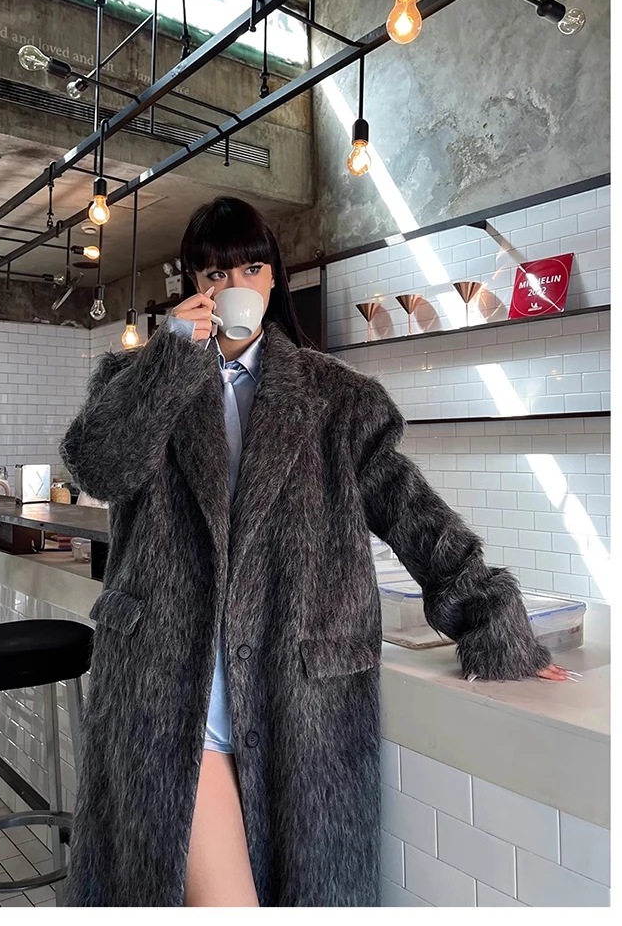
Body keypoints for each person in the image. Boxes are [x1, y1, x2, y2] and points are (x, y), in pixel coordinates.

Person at [59, 196, 571, 908]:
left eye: (250, 268)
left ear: (273, 278)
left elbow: (414, 515)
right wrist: (169, 359)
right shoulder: (141, 379)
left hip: (296, 700)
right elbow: (96, 468)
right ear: (195, 286)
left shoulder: (337, 399)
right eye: (214, 273)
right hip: (171, 695)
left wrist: (493, 621)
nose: (233, 286)